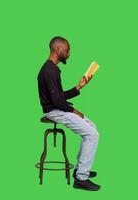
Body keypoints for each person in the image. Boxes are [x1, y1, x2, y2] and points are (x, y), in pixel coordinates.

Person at [37, 36, 100, 191]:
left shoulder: (52, 68)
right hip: (54, 111)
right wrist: (74, 110)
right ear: (57, 49)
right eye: (67, 50)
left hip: (58, 108)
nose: (69, 53)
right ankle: (81, 178)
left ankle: (80, 168)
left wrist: (79, 87)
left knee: (92, 127)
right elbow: (57, 102)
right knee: (92, 135)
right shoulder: (50, 71)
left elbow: (58, 96)